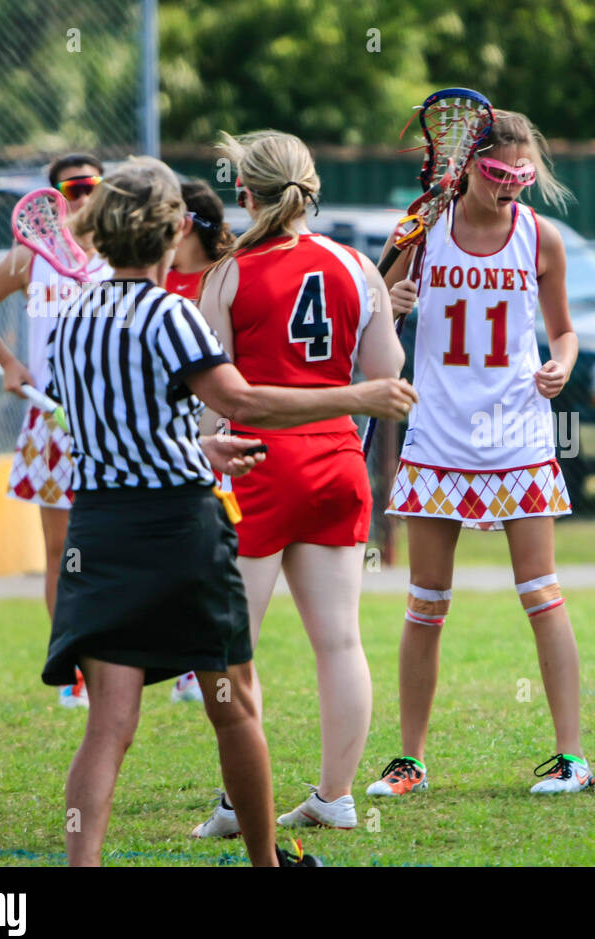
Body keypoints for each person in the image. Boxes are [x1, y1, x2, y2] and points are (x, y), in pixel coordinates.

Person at [39, 156, 416, 866]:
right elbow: (241, 399)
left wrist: (201, 447)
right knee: (232, 704)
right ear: (176, 229)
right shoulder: (174, 314)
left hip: (99, 533)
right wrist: (357, 397)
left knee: (108, 725)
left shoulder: (68, 319)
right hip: (179, 530)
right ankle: (268, 864)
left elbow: (113, 424)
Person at [365, 110, 595, 798]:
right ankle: (410, 759)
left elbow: (565, 333)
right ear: (466, 168)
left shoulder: (539, 238)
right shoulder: (423, 233)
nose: (511, 187)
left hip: (518, 436)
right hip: (438, 435)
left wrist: (561, 364)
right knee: (426, 601)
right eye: (498, 174)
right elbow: (370, 329)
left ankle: (572, 756)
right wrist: (393, 303)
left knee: (542, 593)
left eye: (523, 176)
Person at [188, 130, 405, 837]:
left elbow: (211, 394)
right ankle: (335, 796)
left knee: (234, 647)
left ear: (243, 194)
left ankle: (234, 803)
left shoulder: (229, 274)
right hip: (338, 461)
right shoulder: (352, 265)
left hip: (256, 464)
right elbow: (385, 370)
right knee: (340, 641)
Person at [0, 152, 113, 709]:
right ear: (48, 202)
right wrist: (8, 362)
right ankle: (69, 664)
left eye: (92, 187)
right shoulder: (31, 257)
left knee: (113, 548)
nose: (81, 198)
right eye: (70, 190)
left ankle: (120, 660)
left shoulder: (122, 255)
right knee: (60, 552)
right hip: (52, 419)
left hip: (111, 421)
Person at [164, 179, 236, 705]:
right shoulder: (154, 279)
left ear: (185, 222)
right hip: (166, 436)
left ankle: (203, 663)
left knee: (208, 551)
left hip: (215, 434)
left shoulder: (225, 276)